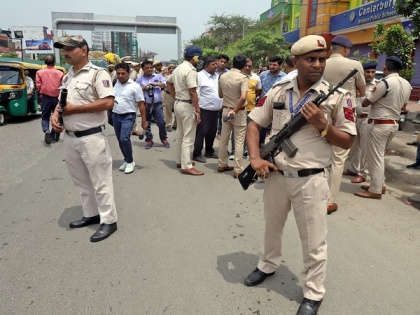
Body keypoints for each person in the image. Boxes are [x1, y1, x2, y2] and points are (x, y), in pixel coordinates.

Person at [243, 35, 356, 315]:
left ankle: (313, 293)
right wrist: (256, 158)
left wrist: (323, 125)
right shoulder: (280, 90)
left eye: (322, 59)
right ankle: (267, 265)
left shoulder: (338, 96)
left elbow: (348, 141)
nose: (318, 64)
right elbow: (254, 124)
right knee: (272, 228)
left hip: (311, 179)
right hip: (277, 176)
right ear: (296, 61)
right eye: (311, 59)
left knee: (314, 241)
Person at [51, 36, 118, 242]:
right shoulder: (67, 76)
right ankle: (91, 214)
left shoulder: (98, 74)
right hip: (70, 138)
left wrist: (74, 110)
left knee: (100, 182)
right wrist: (56, 115)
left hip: (91, 137)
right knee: (81, 181)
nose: (65, 53)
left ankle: (108, 221)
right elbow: (62, 102)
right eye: (63, 49)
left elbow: (108, 103)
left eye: (69, 49)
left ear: (83, 50)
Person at [354, 56, 412, 199]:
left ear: (385, 67)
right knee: (377, 156)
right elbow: (404, 106)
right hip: (393, 124)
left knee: (375, 158)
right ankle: (379, 184)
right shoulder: (406, 84)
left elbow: (366, 102)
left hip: (379, 125)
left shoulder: (384, 83)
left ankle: (375, 190)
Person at [323, 35, 366, 214]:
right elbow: (362, 91)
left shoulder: (322, 63)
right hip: (345, 111)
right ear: (346, 49)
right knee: (338, 158)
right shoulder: (354, 65)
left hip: (323, 109)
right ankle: (330, 200)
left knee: (322, 153)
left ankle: (317, 193)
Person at [167, 45, 204, 176]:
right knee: (189, 137)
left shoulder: (178, 68)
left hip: (179, 103)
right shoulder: (190, 70)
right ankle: (186, 165)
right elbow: (193, 92)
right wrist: (197, 110)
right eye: (198, 57)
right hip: (187, 105)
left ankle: (181, 160)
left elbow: (168, 82)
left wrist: (175, 96)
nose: (199, 59)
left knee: (181, 134)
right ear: (194, 57)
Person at [346, 61, 379, 184]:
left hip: (367, 119)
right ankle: (354, 169)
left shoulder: (378, 86)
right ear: (362, 73)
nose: (370, 74)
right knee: (354, 147)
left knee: (365, 148)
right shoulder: (356, 85)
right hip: (355, 118)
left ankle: (363, 174)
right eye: (368, 72)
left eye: (373, 72)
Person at [113, 62, 147, 174]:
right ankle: (126, 159)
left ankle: (130, 162)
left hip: (128, 115)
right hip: (116, 115)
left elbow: (141, 104)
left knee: (124, 139)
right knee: (119, 140)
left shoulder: (135, 86)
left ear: (128, 73)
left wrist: (143, 120)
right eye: (118, 73)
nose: (120, 75)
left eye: (123, 73)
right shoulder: (114, 84)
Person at [217, 55, 249, 179]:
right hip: (238, 111)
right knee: (239, 141)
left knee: (223, 139)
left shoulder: (222, 76)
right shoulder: (243, 78)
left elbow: (220, 94)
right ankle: (238, 169)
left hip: (226, 109)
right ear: (243, 66)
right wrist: (235, 110)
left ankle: (222, 164)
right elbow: (243, 96)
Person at [192, 57, 222, 163]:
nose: (216, 66)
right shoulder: (199, 76)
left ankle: (209, 150)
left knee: (212, 131)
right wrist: (196, 109)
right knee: (202, 131)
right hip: (203, 109)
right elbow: (196, 92)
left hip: (215, 110)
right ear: (206, 66)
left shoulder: (217, 76)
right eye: (213, 64)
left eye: (216, 64)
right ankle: (196, 153)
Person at [136, 60, 169, 149]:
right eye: (147, 68)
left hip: (157, 104)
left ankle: (164, 138)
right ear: (143, 69)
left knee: (161, 122)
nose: (149, 69)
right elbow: (135, 90)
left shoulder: (158, 76)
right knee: (147, 123)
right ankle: (149, 140)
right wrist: (143, 88)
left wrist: (155, 84)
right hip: (146, 104)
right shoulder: (140, 79)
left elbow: (165, 84)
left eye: (151, 68)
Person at [36, 54, 64, 144]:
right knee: (57, 117)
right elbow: (63, 86)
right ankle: (53, 134)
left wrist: (42, 91)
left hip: (45, 97)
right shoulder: (60, 73)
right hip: (57, 98)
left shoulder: (39, 72)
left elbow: (38, 85)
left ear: (45, 62)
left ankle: (46, 130)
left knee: (45, 116)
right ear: (54, 62)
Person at [258, 56, 286, 146]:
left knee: (276, 127)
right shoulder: (263, 75)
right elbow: (259, 89)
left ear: (280, 66)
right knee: (261, 126)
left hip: (277, 105)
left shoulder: (284, 77)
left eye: (274, 65)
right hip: (263, 104)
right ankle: (260, 145)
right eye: (270, 64)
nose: (272, 66)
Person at [216, 54, 230, 140]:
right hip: (213, 98)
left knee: (222, 116)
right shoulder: (212, 71)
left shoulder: (229, 73)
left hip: (224, 98)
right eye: (221, 61)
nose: (223, 63)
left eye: (225, 62)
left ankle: (220, 132)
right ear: (217, 61)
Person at [163, 64, 177, 132]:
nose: (172, 69)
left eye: (173, 68)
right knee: (168, 111)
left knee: (177, 111)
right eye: (170, 68)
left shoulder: (178, 76)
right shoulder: (166, 77)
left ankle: (175, 124)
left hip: (177, 94)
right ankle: (168, 124)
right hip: (169, 94)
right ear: (168, 70)